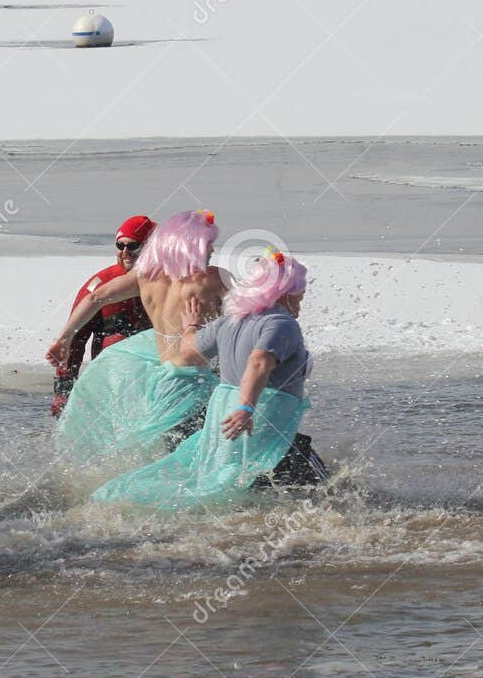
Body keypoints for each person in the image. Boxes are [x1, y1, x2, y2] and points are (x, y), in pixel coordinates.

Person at [93, 248, 313, 507]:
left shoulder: (231, 322)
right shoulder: (281, 323)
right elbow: (258, 362)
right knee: (321, 490)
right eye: (299, 294)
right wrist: (246, 407)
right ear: (284, 292)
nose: (300, 301)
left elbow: (186, 354)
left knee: (232, 485)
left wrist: (191, 327)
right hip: (260, 423)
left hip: (225, 419)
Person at [43, 210, 225, 467]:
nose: (212, 250)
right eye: (209, 244)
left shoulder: (145, 277)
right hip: (184, 384)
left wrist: (62, 338)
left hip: (160, 383)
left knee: (167, 451)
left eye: (133, 246)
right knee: (201, 454)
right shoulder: (215, 278)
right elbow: (254, 318)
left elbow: (96, 299)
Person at [49, 215, 155, 416]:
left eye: (133, 246)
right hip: (111, 380)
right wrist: (64, 389)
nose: (125, 252)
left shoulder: (169, 282)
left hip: (152, 378)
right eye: (120, 245)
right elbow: (76, 339)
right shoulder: (99, 284)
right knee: (116, 339)